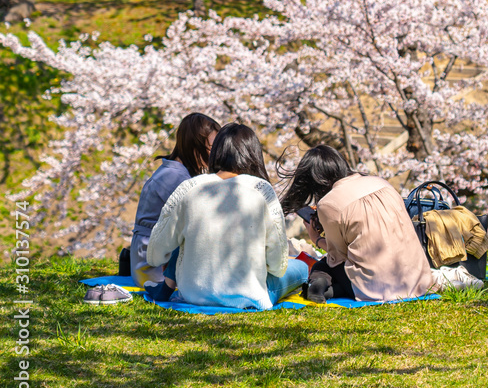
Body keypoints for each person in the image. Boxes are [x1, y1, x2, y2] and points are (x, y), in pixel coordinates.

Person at [146, 123, 308, 308]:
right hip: (249, 294)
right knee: (301, 268)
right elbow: (278, 266)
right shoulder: (261, 189)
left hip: (193, 293)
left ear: (216, 151)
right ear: (253, 154)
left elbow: (155, 255)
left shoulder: (189, 187)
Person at [281, 145, 439, 303]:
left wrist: (315, 238)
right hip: (418, 278)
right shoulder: (382, 183)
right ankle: (330, 289)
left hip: (379, 287)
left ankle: (319, 285)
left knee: (324, 265)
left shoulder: (328, 204)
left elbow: (338, 256)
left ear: (315, 180)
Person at [130, 113, 220, 291]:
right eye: (211, 148)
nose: (215, 154)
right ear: (193, 145)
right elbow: (196, 223)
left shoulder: (174, 170)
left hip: (150, 254)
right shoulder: (175, 176)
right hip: (153, 265)